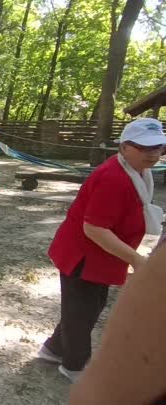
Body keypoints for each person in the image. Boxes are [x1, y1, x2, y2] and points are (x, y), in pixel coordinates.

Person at [38, 118, 166, 384]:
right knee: (82, 312)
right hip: (83, 256)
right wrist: (137, 260)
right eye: (144, 147)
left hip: (104, 256)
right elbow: (94, 228)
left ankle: (53, 349)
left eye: (158, 146)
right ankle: (74, 366)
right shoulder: (113, 178)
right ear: (124, 148)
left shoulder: (139, 172)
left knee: (85, 308)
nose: (153, 153)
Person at [69, 244, 166, 404]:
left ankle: (55, 348)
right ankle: (69, 361)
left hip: (100, 264)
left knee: (89, 307)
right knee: (84, 309)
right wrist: (136, 259)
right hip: (85, 260)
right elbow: (99, 396)